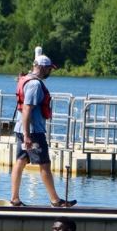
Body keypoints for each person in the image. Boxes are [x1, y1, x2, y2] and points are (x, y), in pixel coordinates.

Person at [10, 55, 76, 208]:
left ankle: (15, 199)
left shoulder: (25, 79)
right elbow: (27, 109)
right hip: (32, 132)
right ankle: (56, 201)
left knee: (20, 162)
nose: (49, 72)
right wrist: (27, 136)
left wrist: (24, 133)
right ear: (41, 67)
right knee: (44, 164)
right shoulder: (35, 85)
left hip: (21, 128)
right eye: (48, 69)